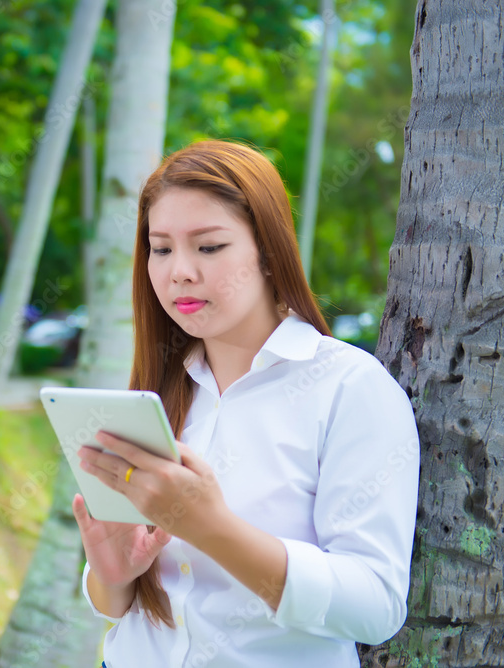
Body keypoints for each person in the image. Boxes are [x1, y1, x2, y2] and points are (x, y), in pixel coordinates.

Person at [73, 140, 420, 667]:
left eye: (209, 247)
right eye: (161, 248)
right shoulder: (158, 390)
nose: (179, 272)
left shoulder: (349, 387)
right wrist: (111, 574)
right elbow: (116, 607)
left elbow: (376, 605)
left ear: (268, 250)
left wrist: (211, 528)